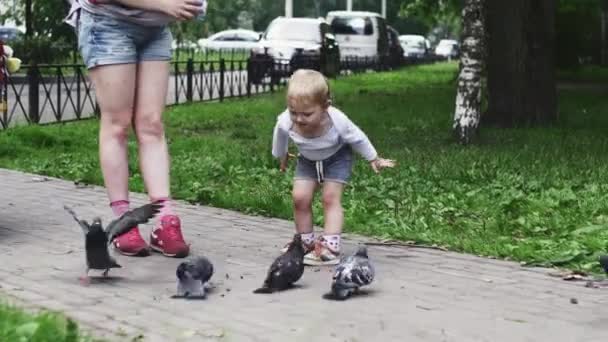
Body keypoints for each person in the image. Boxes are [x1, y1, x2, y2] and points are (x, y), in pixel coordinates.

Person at [65, 0, 207, 258]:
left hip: (155, 27)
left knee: (151, 124)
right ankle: (124, 223)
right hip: (108, 24)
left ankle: (165, 220)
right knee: (117, 124)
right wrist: (165, 4)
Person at [272, 69, 395, 266]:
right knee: (299, 198)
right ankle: (304, 242)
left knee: (330, 198)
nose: (299, 119)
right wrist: (282, 155)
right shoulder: (286, 121)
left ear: (325, 106)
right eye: (293, 112)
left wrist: (373, 158)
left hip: (337, 157)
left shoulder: (337, 120)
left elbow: (357, 137)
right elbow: (280, 136)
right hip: (307, 160)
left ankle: (331, 246)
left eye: (307, 114)